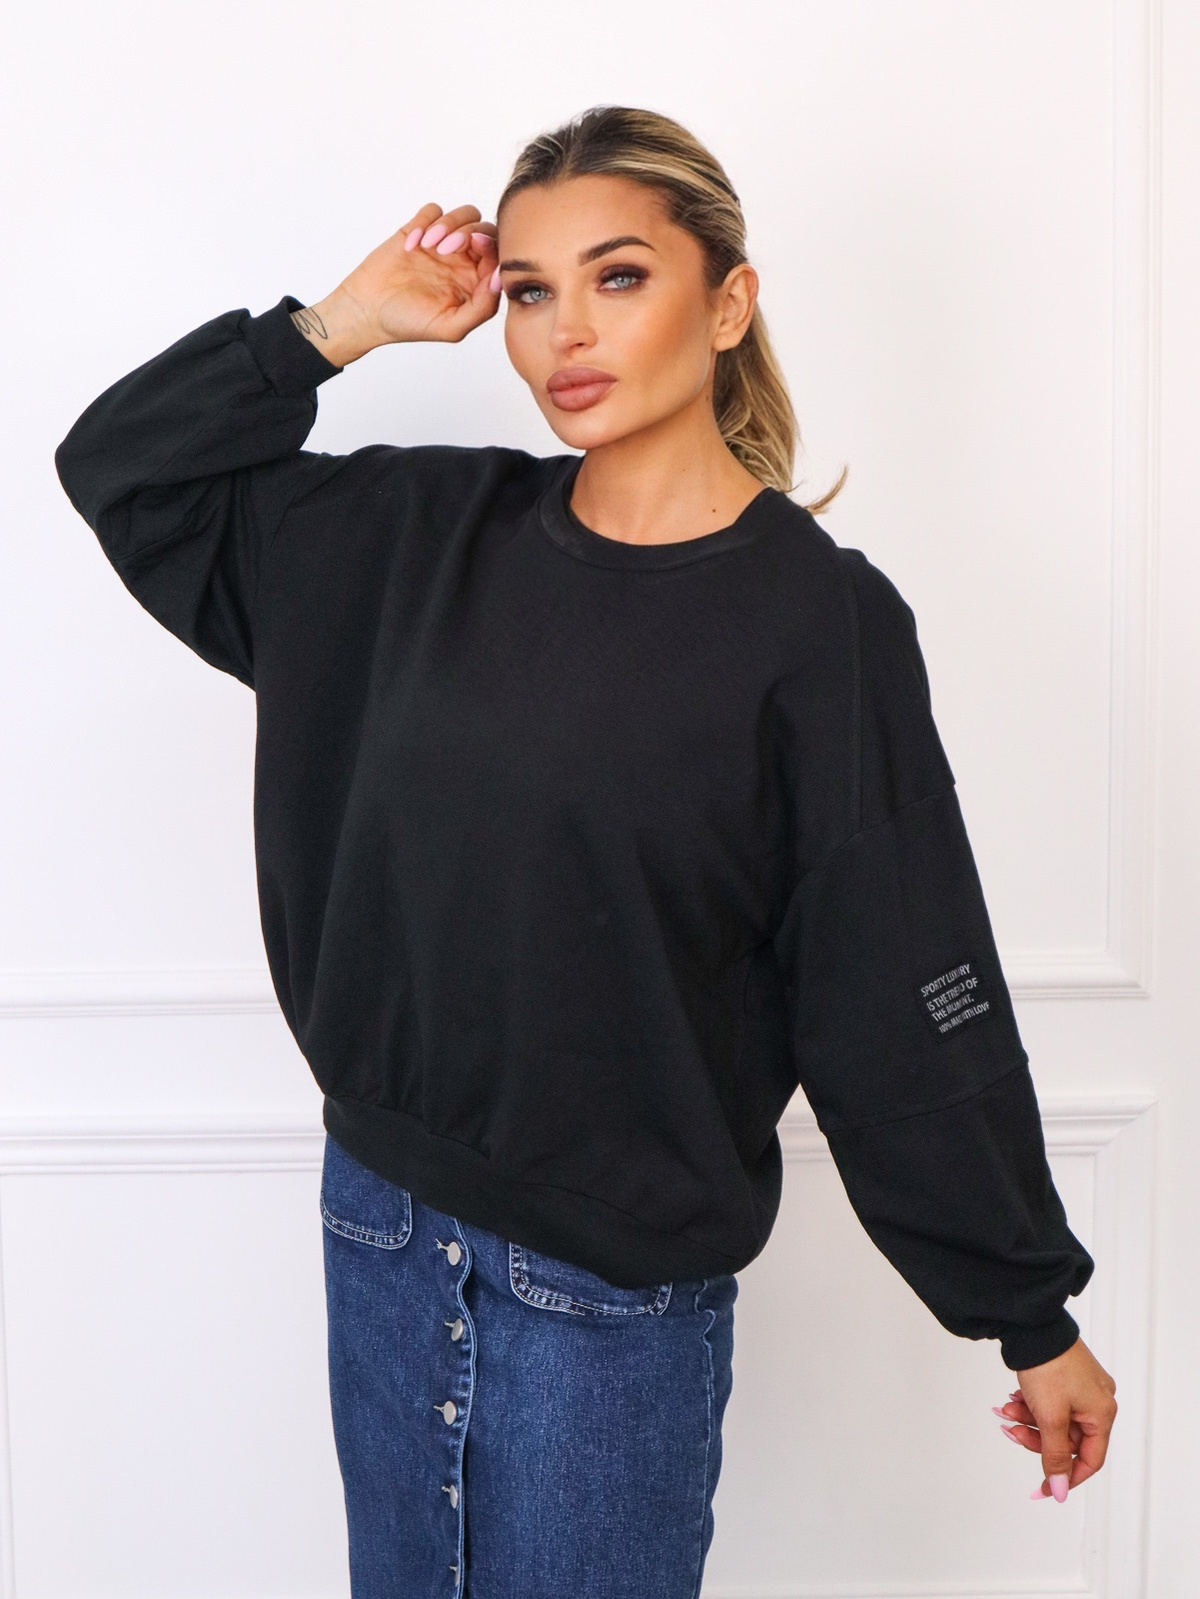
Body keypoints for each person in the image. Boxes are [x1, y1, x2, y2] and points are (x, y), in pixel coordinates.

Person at [55, 104, 1116, 1597]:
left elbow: (896, 979)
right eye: (531, 289)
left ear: (728, 303)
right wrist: (338, 326)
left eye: (620, 277)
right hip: (380, 1229)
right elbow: (123, 469)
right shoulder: (411, 537)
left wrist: (1028, 1308)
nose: (566, 331)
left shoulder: (817, 624)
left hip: (604, 1307)